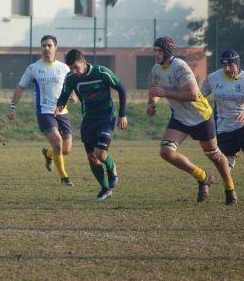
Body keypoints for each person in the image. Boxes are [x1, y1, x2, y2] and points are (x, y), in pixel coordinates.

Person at [148, 37, 236, 205]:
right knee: (166, 152)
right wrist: (152, 104)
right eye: (155, 51)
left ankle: (229, 188)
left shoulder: (180, 66)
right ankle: (202, 177)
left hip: (200, 116)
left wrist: (164, 92)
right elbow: (154, 91)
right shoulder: (155, 69)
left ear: (167, 51)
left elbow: (193, 95)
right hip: (180, 117)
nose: (156, 54)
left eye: (159, 50)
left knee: (214, 155)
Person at [55, 49, 127, 201]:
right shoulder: (71, 78)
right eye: (71, 68)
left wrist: (122, 114)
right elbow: (64, 95)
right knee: (91, 157)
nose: (74, 71)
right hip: (88, 120)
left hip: (106, 118)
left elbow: (121, 89)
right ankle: (105, 189)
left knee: (100, 153)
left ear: (84, 62)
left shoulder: (102, 72)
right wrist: (60, 105)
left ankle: (111, 168)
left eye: (76, 67)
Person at [7, 35, 75, 186]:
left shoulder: (64, 68)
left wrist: (72, 95)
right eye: (44, 45)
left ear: (55, 48)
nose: (46, 48)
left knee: (66, 149)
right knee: (57, 142)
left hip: (62, 112)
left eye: (49, 45)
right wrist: (12, 107)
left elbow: (70, 85)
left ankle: (48, 153)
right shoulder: (33, 68)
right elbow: (20, 87)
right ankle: (64, 178)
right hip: (44, 112)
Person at [201, 50, 244, 173]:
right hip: (223, 127)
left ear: (237, 64)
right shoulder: (213, 78)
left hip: (242, 125)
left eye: (231, 65)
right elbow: (199, 97)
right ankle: (228, 187)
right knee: (225, 162)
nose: (227, 69)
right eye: (224, 65)